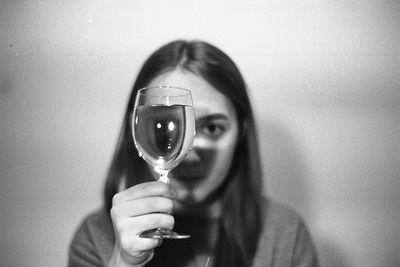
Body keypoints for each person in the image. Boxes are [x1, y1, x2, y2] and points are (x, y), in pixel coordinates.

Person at [68, 40, 319, 267]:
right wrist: (122, 262)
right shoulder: (96, 237)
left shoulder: (286, 235)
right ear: (137, 128)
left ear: (241, 134)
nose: (188, 154)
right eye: (167, 126)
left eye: (212, 128)